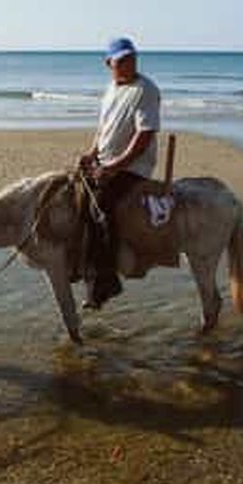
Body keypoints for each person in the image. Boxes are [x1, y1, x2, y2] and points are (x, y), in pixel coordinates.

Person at [78, 36, 161, 308]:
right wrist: (92, 153)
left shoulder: (145, 89)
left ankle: (107, 280)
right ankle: (79, 263)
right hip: (105, 161)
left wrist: (115, 166)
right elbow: (103, 129)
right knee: (72, 194)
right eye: (122, 60)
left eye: (132, 58)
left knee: (100, 207)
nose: (129, 63)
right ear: (108, 63)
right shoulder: (111, 89)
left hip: (133, 167)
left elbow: (144, 136)